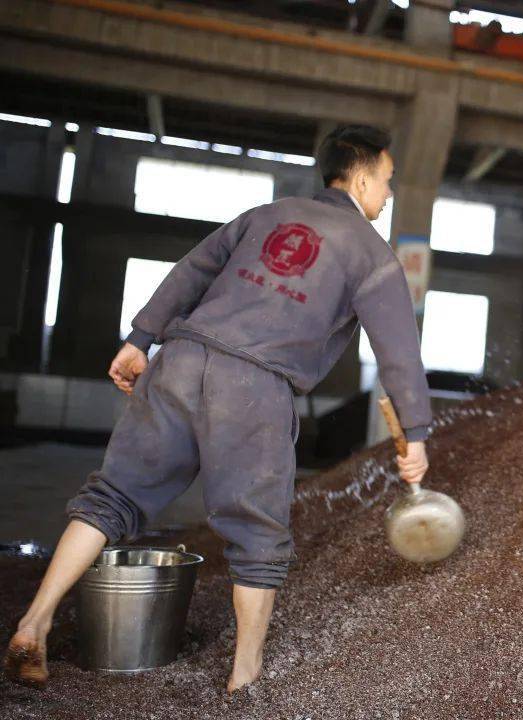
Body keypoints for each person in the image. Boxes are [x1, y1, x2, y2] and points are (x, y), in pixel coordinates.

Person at [4, 124, 432, 692]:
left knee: (113, 496)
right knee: (257, 532)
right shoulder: (373, 256)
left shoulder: (267, 214)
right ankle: (244, 676)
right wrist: (417, 434)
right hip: (253, 388)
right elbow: (399, 354)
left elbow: (193, 271)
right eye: (387, 179)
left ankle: (35, 620)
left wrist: (139, 339)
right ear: (359, 176)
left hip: (180, 360)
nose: (389, 192)